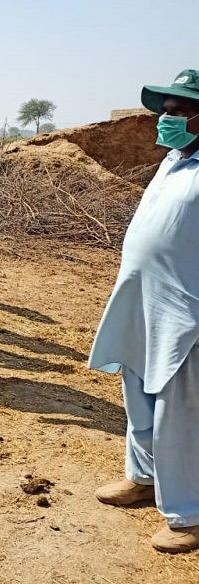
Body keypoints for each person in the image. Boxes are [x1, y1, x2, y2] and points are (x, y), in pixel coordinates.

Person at [88, 70, 199, 554]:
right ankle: (145, 476)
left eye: (178, 111)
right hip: (139, 300)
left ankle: (190, 513)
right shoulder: (174, 161)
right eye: (166, 110)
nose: (166, 119)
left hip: (184, 311)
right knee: (136, 390)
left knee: (180, 409)